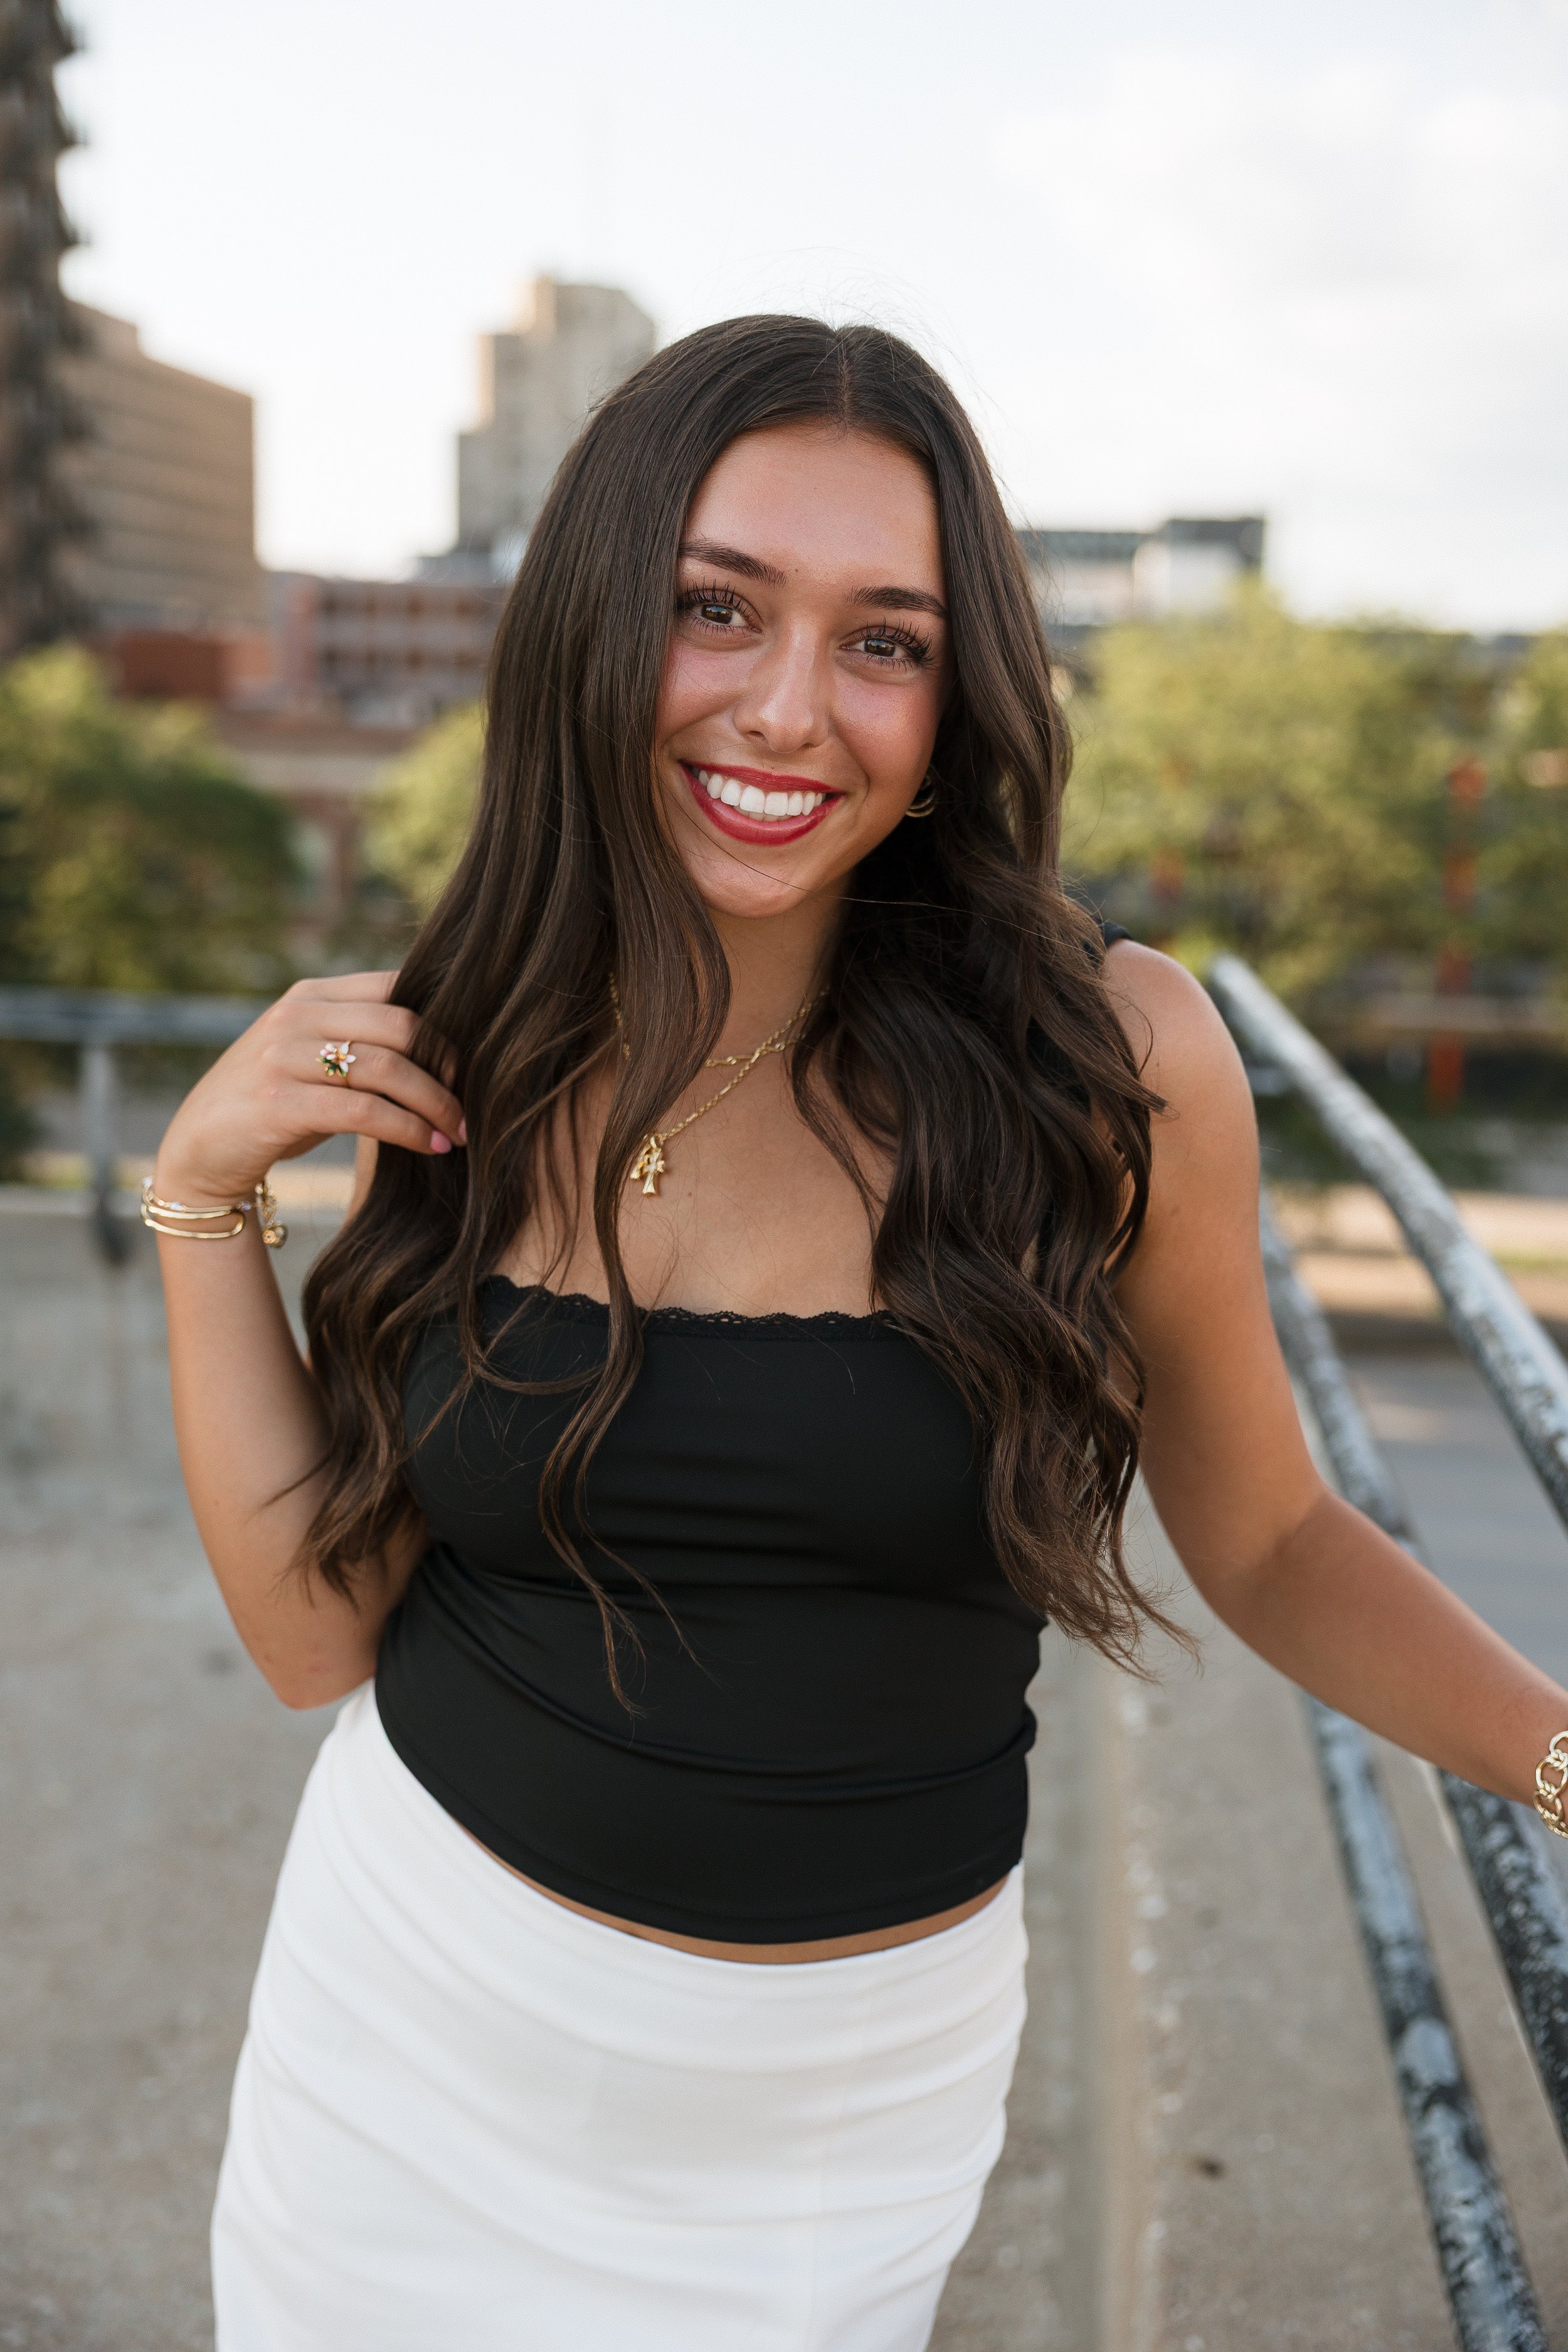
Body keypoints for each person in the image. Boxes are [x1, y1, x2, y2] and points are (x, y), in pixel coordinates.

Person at [144, 317, 1568, 2352]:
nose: (791, 707)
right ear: (592, 622)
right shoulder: (476, 1032)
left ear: (956, 692)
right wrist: (200, 1194)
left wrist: (1561, 1762)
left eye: (883, 641)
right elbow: (312, 1638)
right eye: (714, 607)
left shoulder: (1105, 1059)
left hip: (828, 2128)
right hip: (408, 2033)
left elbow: (1267, 1537)